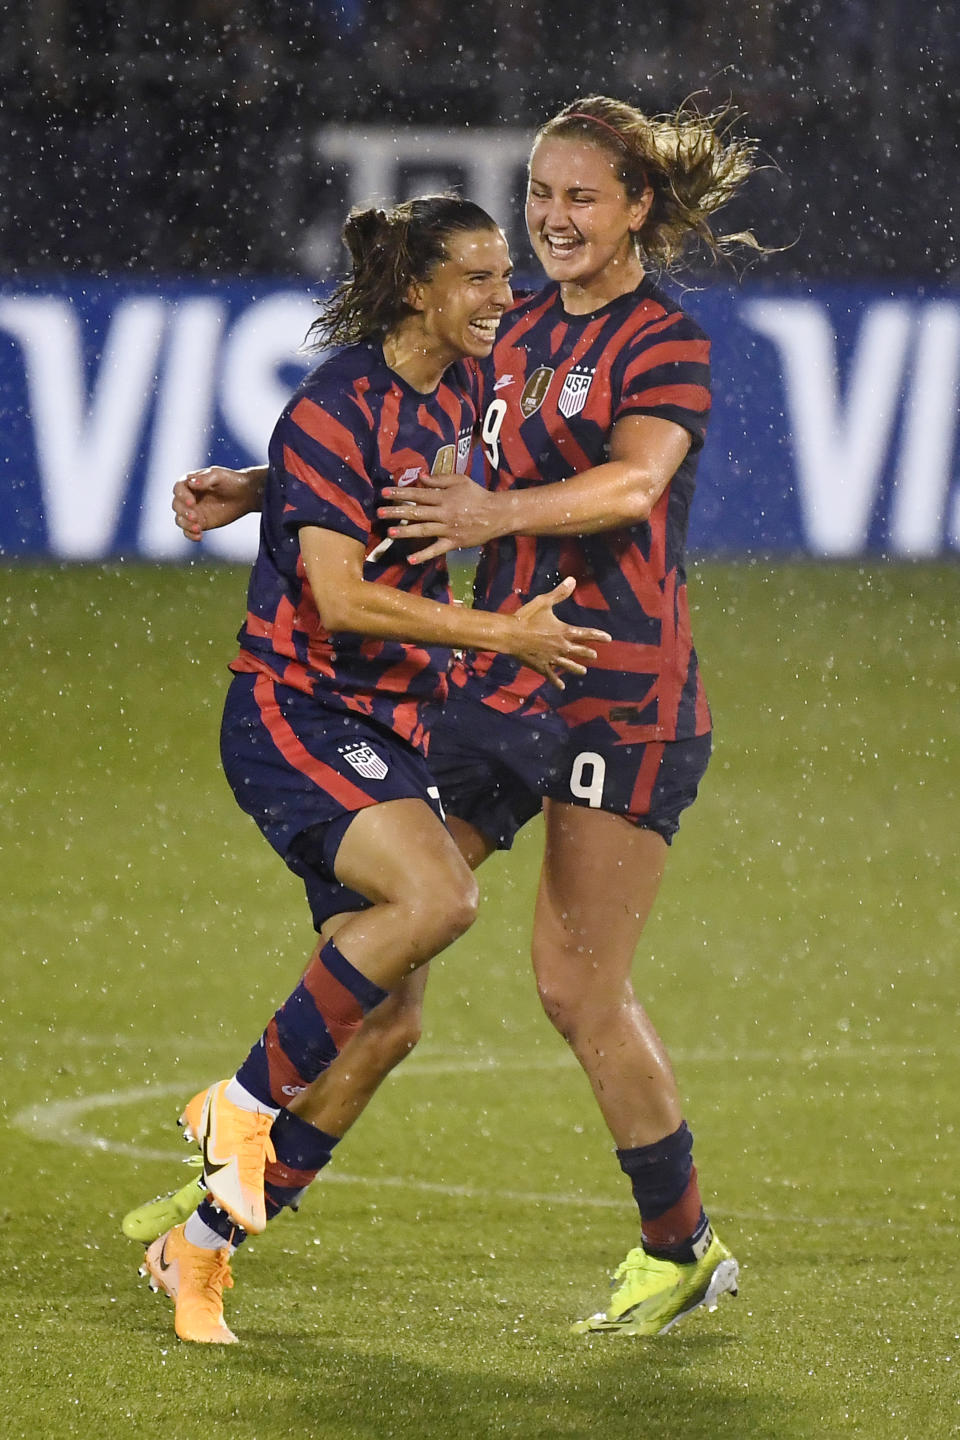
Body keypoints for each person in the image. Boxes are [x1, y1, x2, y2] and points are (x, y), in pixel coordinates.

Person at [133, 93, 761, 1340]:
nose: (555, 218)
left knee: (576, 990)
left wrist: (492, 523)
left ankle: (679, 1245)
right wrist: (269, 486)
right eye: (542, 194)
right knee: (389, 968)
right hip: (492, 684)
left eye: (583, 197)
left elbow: (634, 483)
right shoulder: (505, 325)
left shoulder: (661, 342)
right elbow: (395, 453)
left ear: (638, 209)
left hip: (619, 698)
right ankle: (219, 1209)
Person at [135, 191, 609, 1345]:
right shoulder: (336, 404)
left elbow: (351, 483)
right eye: (483, 279)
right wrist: (507, 635)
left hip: (393, 720)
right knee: (440, 895)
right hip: (295, 710)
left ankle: (196, 1252)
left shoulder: (459, 387)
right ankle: (235, 1107)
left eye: (509, 276)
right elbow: (339, 597)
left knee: (388, 1029)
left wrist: (257, 489)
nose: (508, 296)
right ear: (419, 291)